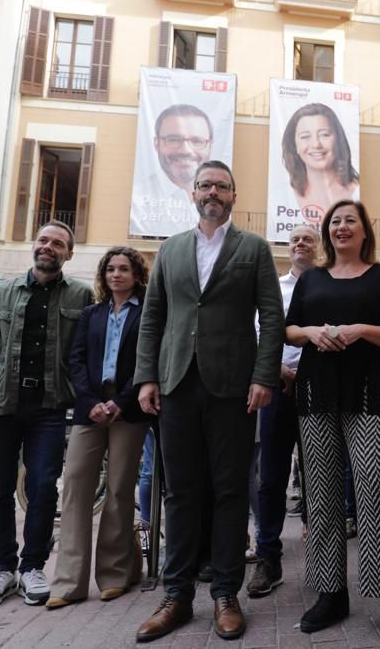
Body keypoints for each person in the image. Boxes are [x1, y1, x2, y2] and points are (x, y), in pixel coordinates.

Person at [133, 160, 283, 642]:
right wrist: (146, 378)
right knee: (179, 491)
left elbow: (272, 318)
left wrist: (264, 376)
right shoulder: (171, 249)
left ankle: (225, 593)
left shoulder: (254, 249)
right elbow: (153, 316)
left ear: (233, 196)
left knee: (230, 490)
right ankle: (176, 596)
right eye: (205, 185)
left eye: (221, 186)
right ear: (192, 193)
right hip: (177, 384)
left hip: (234, 387)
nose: (212, 192)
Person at [285, 199, 380, 642]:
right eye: (335, 221)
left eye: (350, 221)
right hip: (315, 391)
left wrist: (359, 329)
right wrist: (313, 333)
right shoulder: (312, 279)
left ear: (364, 231)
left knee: (375, 486)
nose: (342, 227)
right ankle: (331, 592)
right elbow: (289, 329)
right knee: (320, 494)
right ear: (328, 232)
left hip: (366, 392)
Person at [0, 221, 94, 610]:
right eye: (43, 240)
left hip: (50, 408)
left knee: (43, 488)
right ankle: (2, 570)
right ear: (35, 246)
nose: (48, 247)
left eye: (58, 244)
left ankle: (33, 565)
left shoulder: (82, 295)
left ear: (68, 254)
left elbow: (88, 349)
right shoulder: (1, 292)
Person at [47, 247, 155, 608]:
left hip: (129, 409)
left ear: (137, 275)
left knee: (120, 490)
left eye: (124, 269)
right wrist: (89, 402)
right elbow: (75, 360)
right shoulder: (91, 313)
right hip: (89, 408)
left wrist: (120, 402)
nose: (116, 275)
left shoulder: (148, 314)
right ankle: (67, 582)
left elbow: (148, 361)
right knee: (76, 486)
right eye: (111, 269)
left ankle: (115, 574)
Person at [247, 225, 320, 599]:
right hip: (277, 387)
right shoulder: (273, 287)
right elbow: (258, 336)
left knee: (321, 473)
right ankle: (269, 557)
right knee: (271, 477)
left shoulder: (326, 284)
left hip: (319, 387)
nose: (300, 244)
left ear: (318, 247)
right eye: (294, 240)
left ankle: (325, 560)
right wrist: (277, 369)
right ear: (287, 248)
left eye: (308, 239)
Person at [130, 104, 214, 237]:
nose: (186, 150)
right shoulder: (136, 201)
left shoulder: (220, 200)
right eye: (173, 140)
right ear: (156, 143)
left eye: (197, 141)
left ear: (210, 146)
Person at [281, 103, 359, 227]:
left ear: (338, 140)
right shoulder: (284, 193)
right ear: (294, 145)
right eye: (305, 136)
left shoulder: (356, 190)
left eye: (324, 134)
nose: (316, 144)